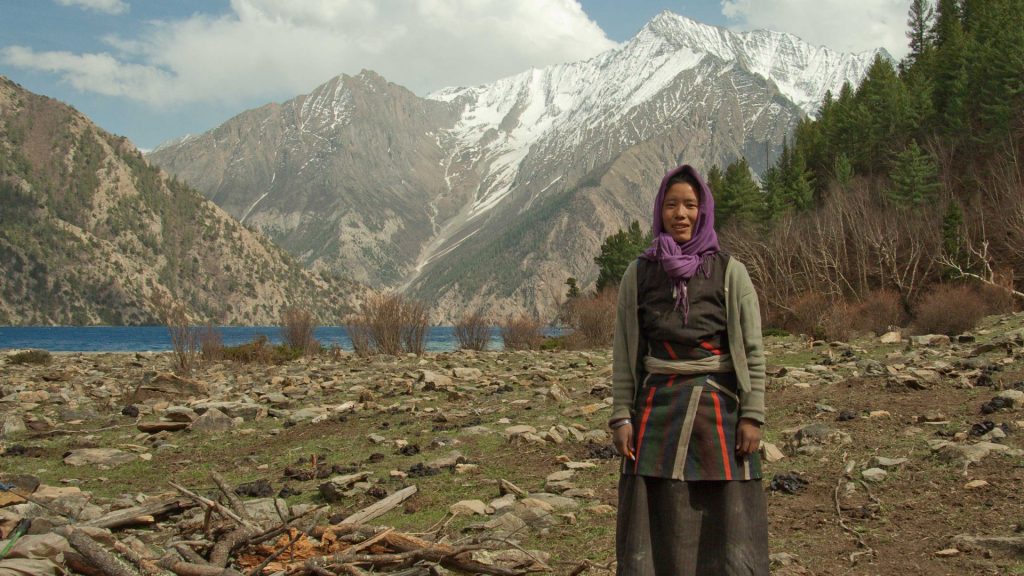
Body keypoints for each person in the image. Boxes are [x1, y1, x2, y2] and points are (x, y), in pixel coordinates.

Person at [609, 164, 769, 575]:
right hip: (654, 409)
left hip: (720, 411)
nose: (681, 214)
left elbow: (752, 349)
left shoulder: (730, 272)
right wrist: (621, 415)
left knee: (727, 510)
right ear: (659, 210)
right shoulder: (640, 274)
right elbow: (626, 350)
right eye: (672, 204)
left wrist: (753, 414)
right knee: (654, 508)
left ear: (704, 211)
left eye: (690, 205)